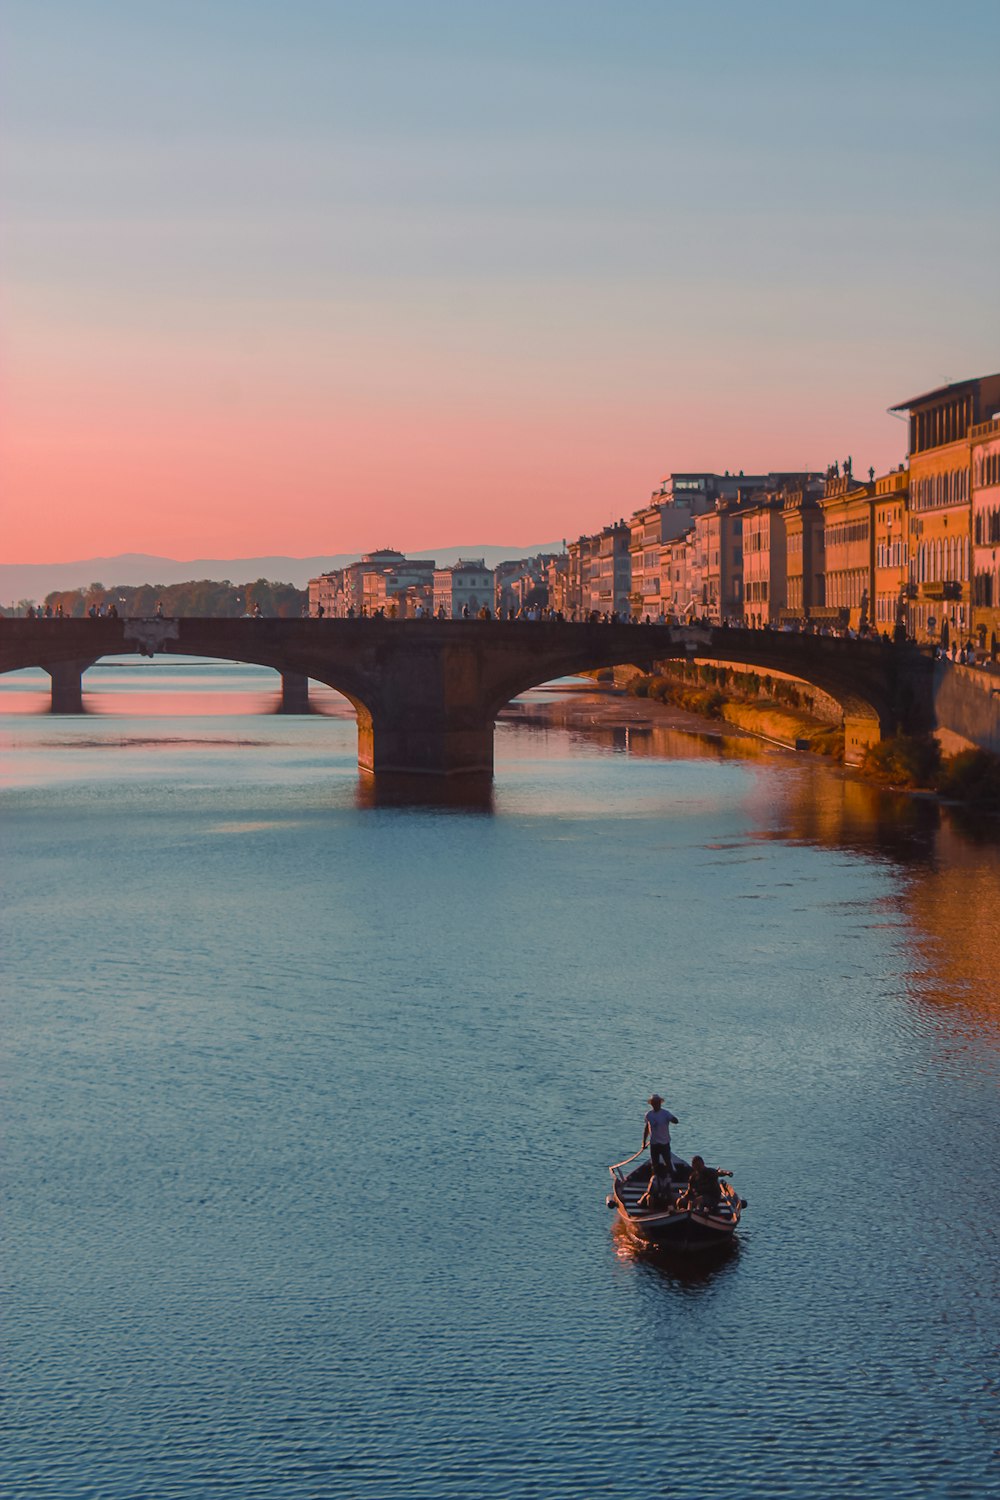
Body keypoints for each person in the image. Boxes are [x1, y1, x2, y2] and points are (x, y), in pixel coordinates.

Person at [642, 1093, 678, 1176]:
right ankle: (655, 1179)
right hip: (654, 1143)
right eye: (653, 1103)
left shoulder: (665, 1114)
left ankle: (671, 1178)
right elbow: (647, 1128)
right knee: (654, 1164)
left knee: (667, 1162)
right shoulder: (649, 1115)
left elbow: (675, 1121)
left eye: (657, 1102)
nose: (655, 1104)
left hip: (664, 1142)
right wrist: (644, 1142)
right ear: (651, 1104)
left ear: (660, 1103)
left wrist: (673, 1119)